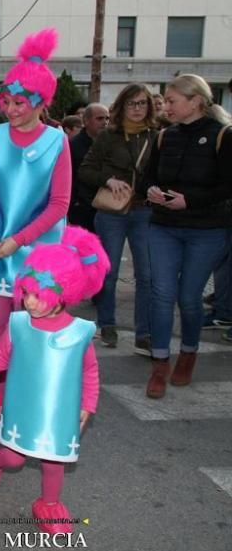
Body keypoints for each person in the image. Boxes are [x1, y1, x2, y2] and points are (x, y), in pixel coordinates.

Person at [0, 226, 107, 535]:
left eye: (38, 296)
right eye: (26, 293)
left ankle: (49, 502)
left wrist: (88, 405)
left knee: (54, 461)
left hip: (59, 411)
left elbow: (90, 372)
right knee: (14, 457)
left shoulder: (80, 332)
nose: (28, 302)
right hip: (21, 406)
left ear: (64, 294)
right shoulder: (18, 324)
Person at [0, 27, 71, 429]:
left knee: (33, 324)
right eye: (7, 101)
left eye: (20, 102)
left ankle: (27, 394)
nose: (11, 109)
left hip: (38, 249)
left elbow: (60, 204)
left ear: (40, 102)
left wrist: (21, 240)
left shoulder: (57, 142)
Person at [143, 74, 232, 398]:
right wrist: (150, 189)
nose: (165, 106)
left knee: (189, 298)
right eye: (165, 100)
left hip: (206, 231)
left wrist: (190, 200)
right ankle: (160, 363)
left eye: (172, 100)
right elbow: (147, 177)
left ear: (195, 101)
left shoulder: (223, 135)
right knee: (162, 294)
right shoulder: (164, 136)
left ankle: (189, 353)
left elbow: (227, 185)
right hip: (163, 226)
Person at [78, 84, 157, 353]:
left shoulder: (158, 136)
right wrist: (108, 179)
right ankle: (107, 324)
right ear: (122, 106)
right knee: (109, 273)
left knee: (146, 275)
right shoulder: (108, 136)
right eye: (132, 103)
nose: (137, 109)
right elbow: (85, 170)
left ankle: (143, 333)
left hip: (145, 210)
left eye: (142, 103)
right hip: (112, 212)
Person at [67, 103, 109, 232]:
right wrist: (74, 202)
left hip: (106, 206)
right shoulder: (73, 146)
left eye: (107, 118)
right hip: (82, 207)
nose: (105, 122)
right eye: (100, 118)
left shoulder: (111, 143)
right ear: (86, 121)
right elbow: (69, 177)